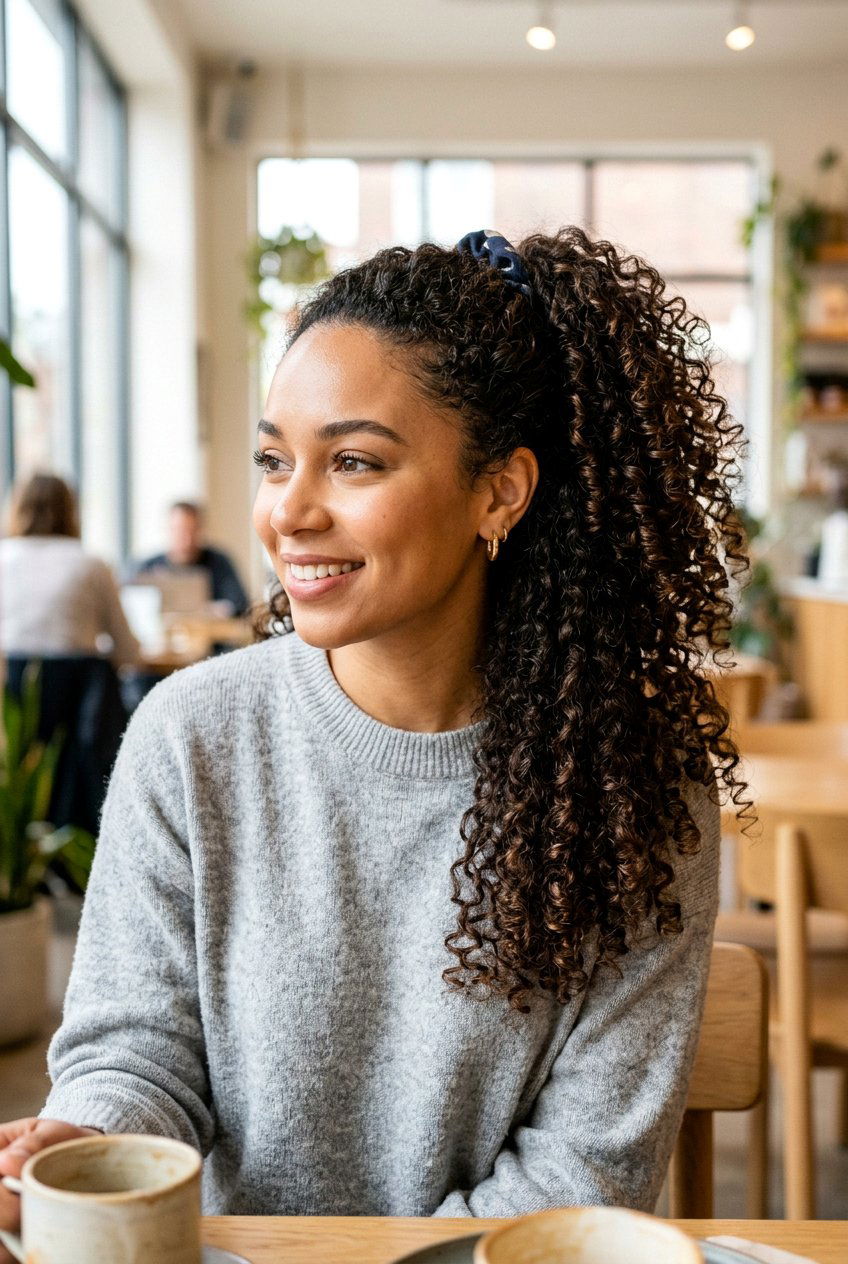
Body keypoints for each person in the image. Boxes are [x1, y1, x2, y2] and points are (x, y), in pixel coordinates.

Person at [0, 227, 752, 1236]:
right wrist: (85, 1137)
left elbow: (582, 1175)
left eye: (351, 460)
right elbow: (136, 1051)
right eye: (274, 458)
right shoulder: (191, 735)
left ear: (500, 490)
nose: (286, 511)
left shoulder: (631, 786)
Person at [132, 500, 249, 616]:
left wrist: (213, 610)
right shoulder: (148, 568)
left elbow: (240, 604)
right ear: (168, 530)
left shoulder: (219, 563)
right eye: (180, 531)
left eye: (192, 531)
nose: (187, 540)